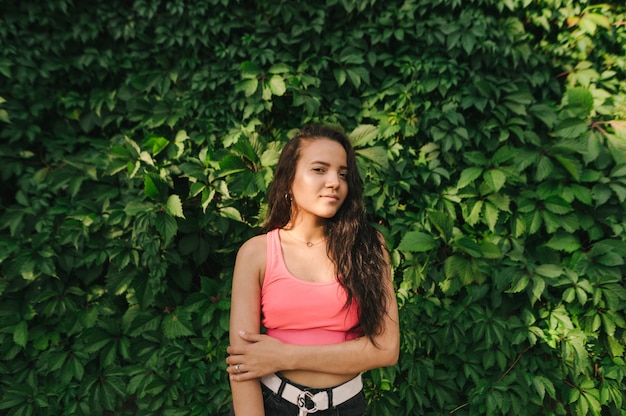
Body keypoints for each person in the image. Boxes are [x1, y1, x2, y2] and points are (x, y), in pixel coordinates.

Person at [226, 124, 400, 416]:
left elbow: (386, 349)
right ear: (288, 179)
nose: (334, 182)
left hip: (346, 408)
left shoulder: (368, 247)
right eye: (319, 169)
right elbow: (244, 364)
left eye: (342, 174)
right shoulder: (256, 253)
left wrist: (284, 355)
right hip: (273, 405)